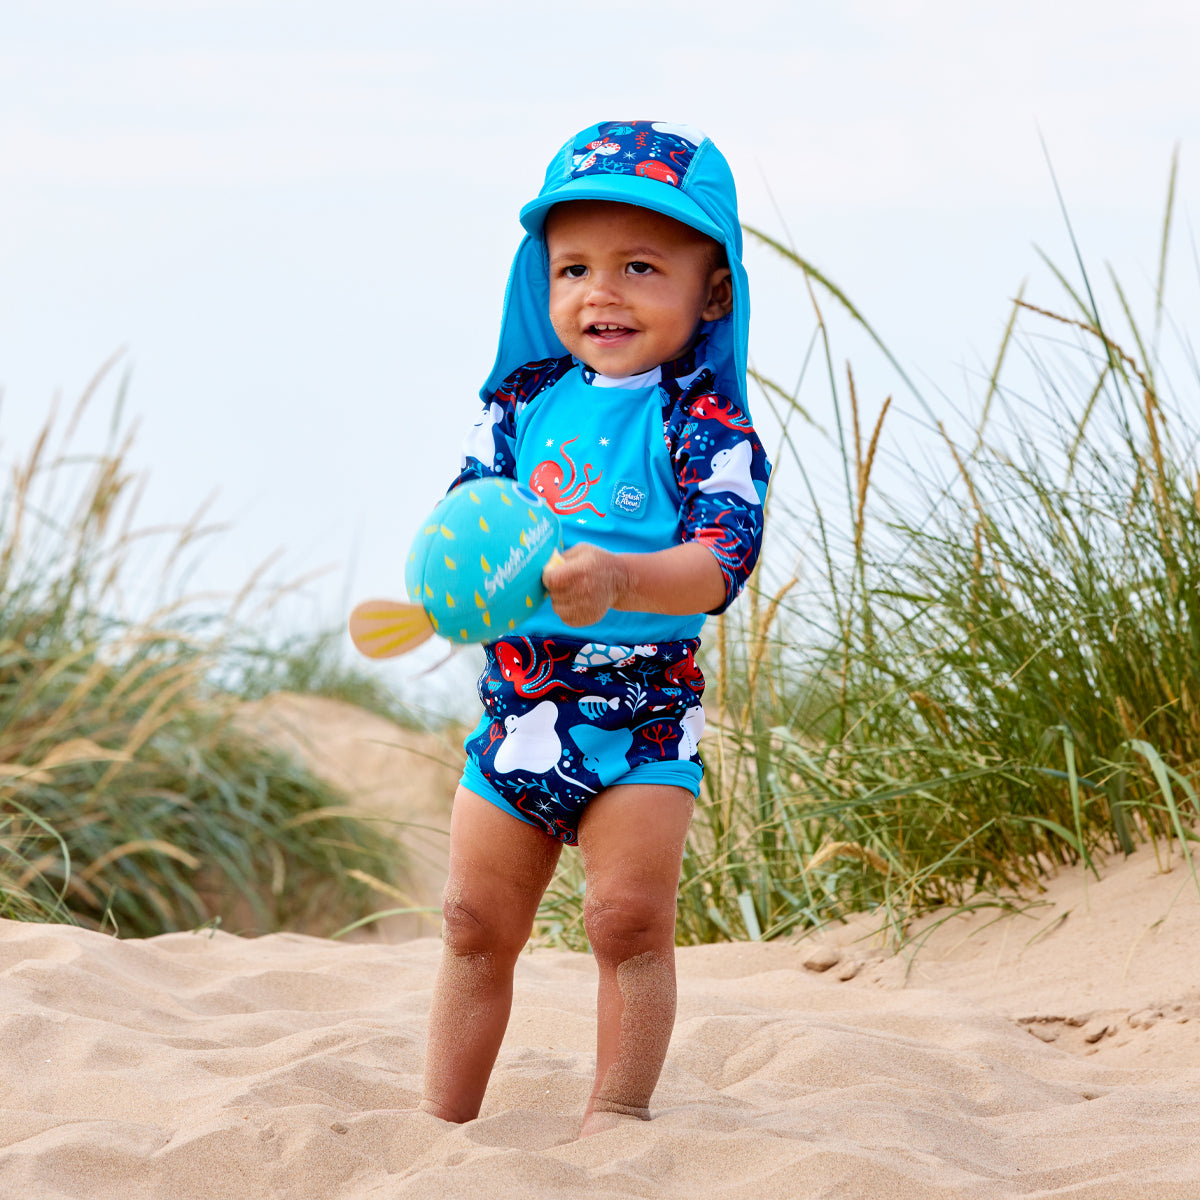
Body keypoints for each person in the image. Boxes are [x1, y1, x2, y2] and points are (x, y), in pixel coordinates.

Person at [419, 120, 771, 1136]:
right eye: (573, 267)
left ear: (711, 290)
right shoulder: (522, 403)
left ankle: (616, 1120)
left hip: (644, 716)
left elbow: (718, 565)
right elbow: (466, 519)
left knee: (627, 921)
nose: (600, 292)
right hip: (519, 703)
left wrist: (619, 574)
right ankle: (441, 1124)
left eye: (640, 266)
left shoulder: (703, 423)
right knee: (472, 923)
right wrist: (452, 585)